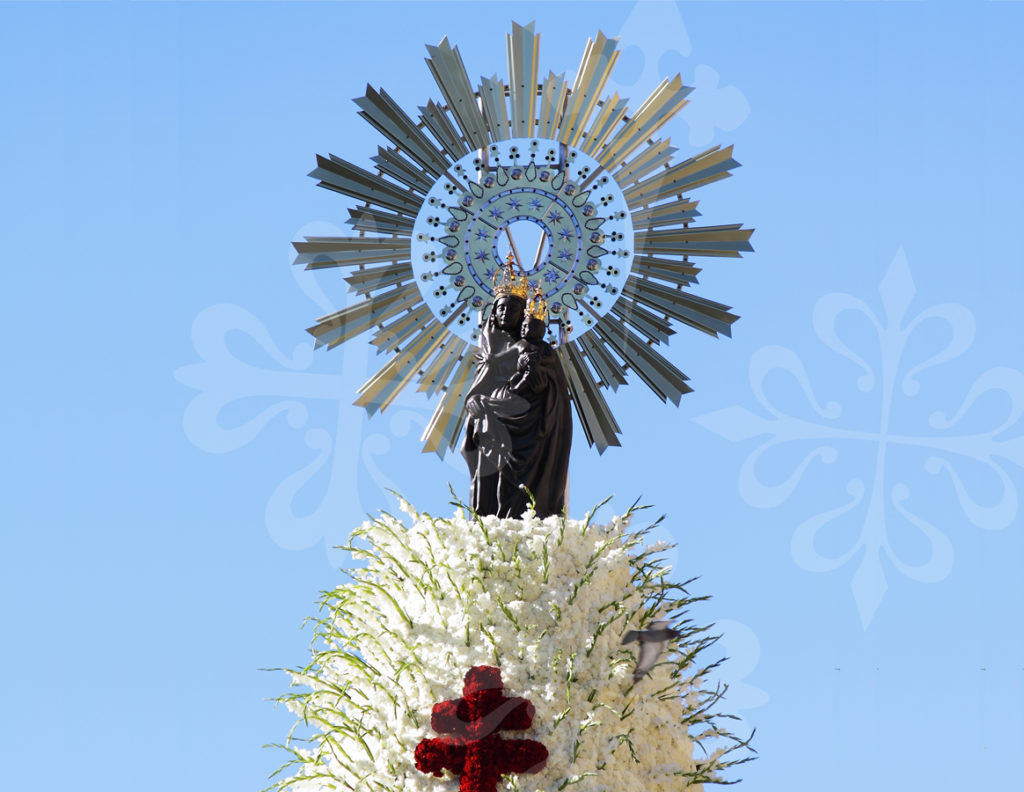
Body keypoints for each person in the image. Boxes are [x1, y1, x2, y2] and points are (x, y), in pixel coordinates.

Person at [462, 277, 572, 519]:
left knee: (524, 492)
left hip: (531, 425)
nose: (505, 312)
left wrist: (534, 384)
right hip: (494, 423)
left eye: (512, 308)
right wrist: (474, 401)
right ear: (493, 312)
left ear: (523, 314)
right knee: (492, 480)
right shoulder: (490, 347)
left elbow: (552, 387)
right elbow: (479, 387)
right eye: (500, 307)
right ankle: (489, 519)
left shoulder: (537, 348)